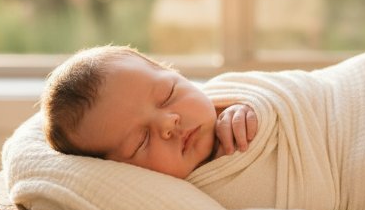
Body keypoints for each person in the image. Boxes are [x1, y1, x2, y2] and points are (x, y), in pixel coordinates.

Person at [41, 45, 258, 179]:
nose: (168, 124)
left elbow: (283, 93)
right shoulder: (172, 203)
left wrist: (252, 107)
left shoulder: (235, 97)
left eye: (168, 94)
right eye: (141, 140)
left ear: (176, 73)